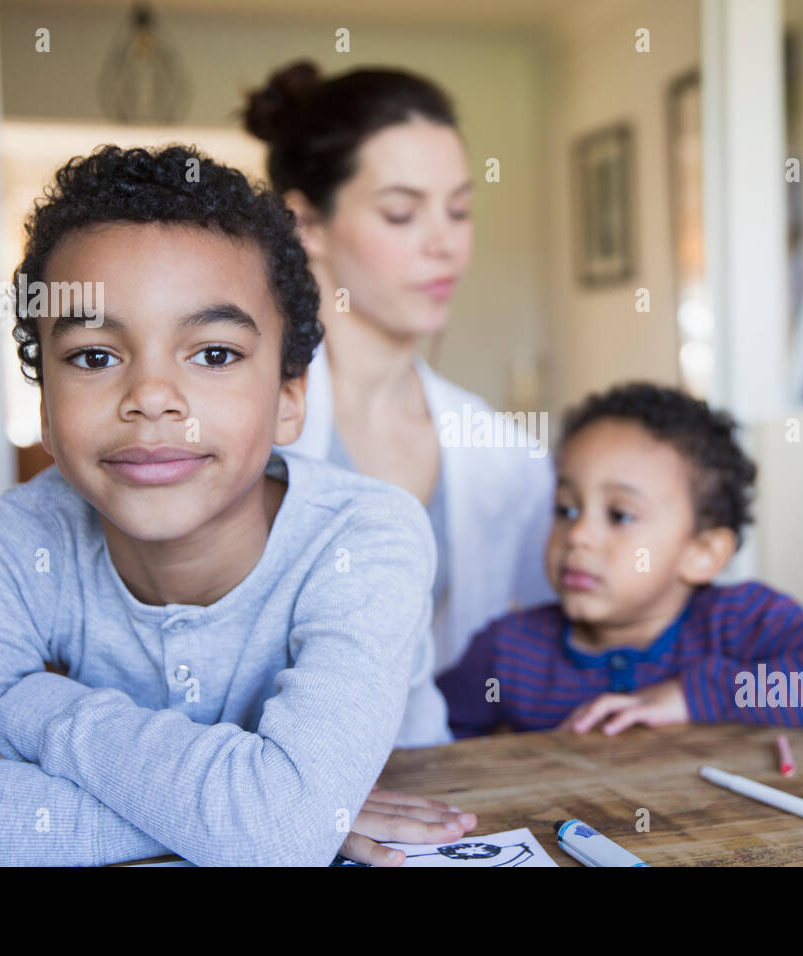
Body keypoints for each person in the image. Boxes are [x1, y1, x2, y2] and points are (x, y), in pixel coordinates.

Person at [0, 145, 476, 866]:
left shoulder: (368, 535)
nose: (149, 396)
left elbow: (281, 833)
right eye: (93, 356)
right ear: (45, 411)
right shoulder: (30, 535)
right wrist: (266, 808)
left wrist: (39, 710)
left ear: (290, 399)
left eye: (212, 354)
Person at [243, 62, 555, 741]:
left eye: (460, 209)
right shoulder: (238, 424)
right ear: (306, 225)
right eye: (402, 212)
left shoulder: (502, 451)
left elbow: (580, 620)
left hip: (445, 801)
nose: (446, 243)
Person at [437, 383, 803, 737]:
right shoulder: (507, 653)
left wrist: (695, 696)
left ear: (701, 554)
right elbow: (428, 748)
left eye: (620, 515)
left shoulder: (739, 624)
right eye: (566, 508)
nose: (578, 534)